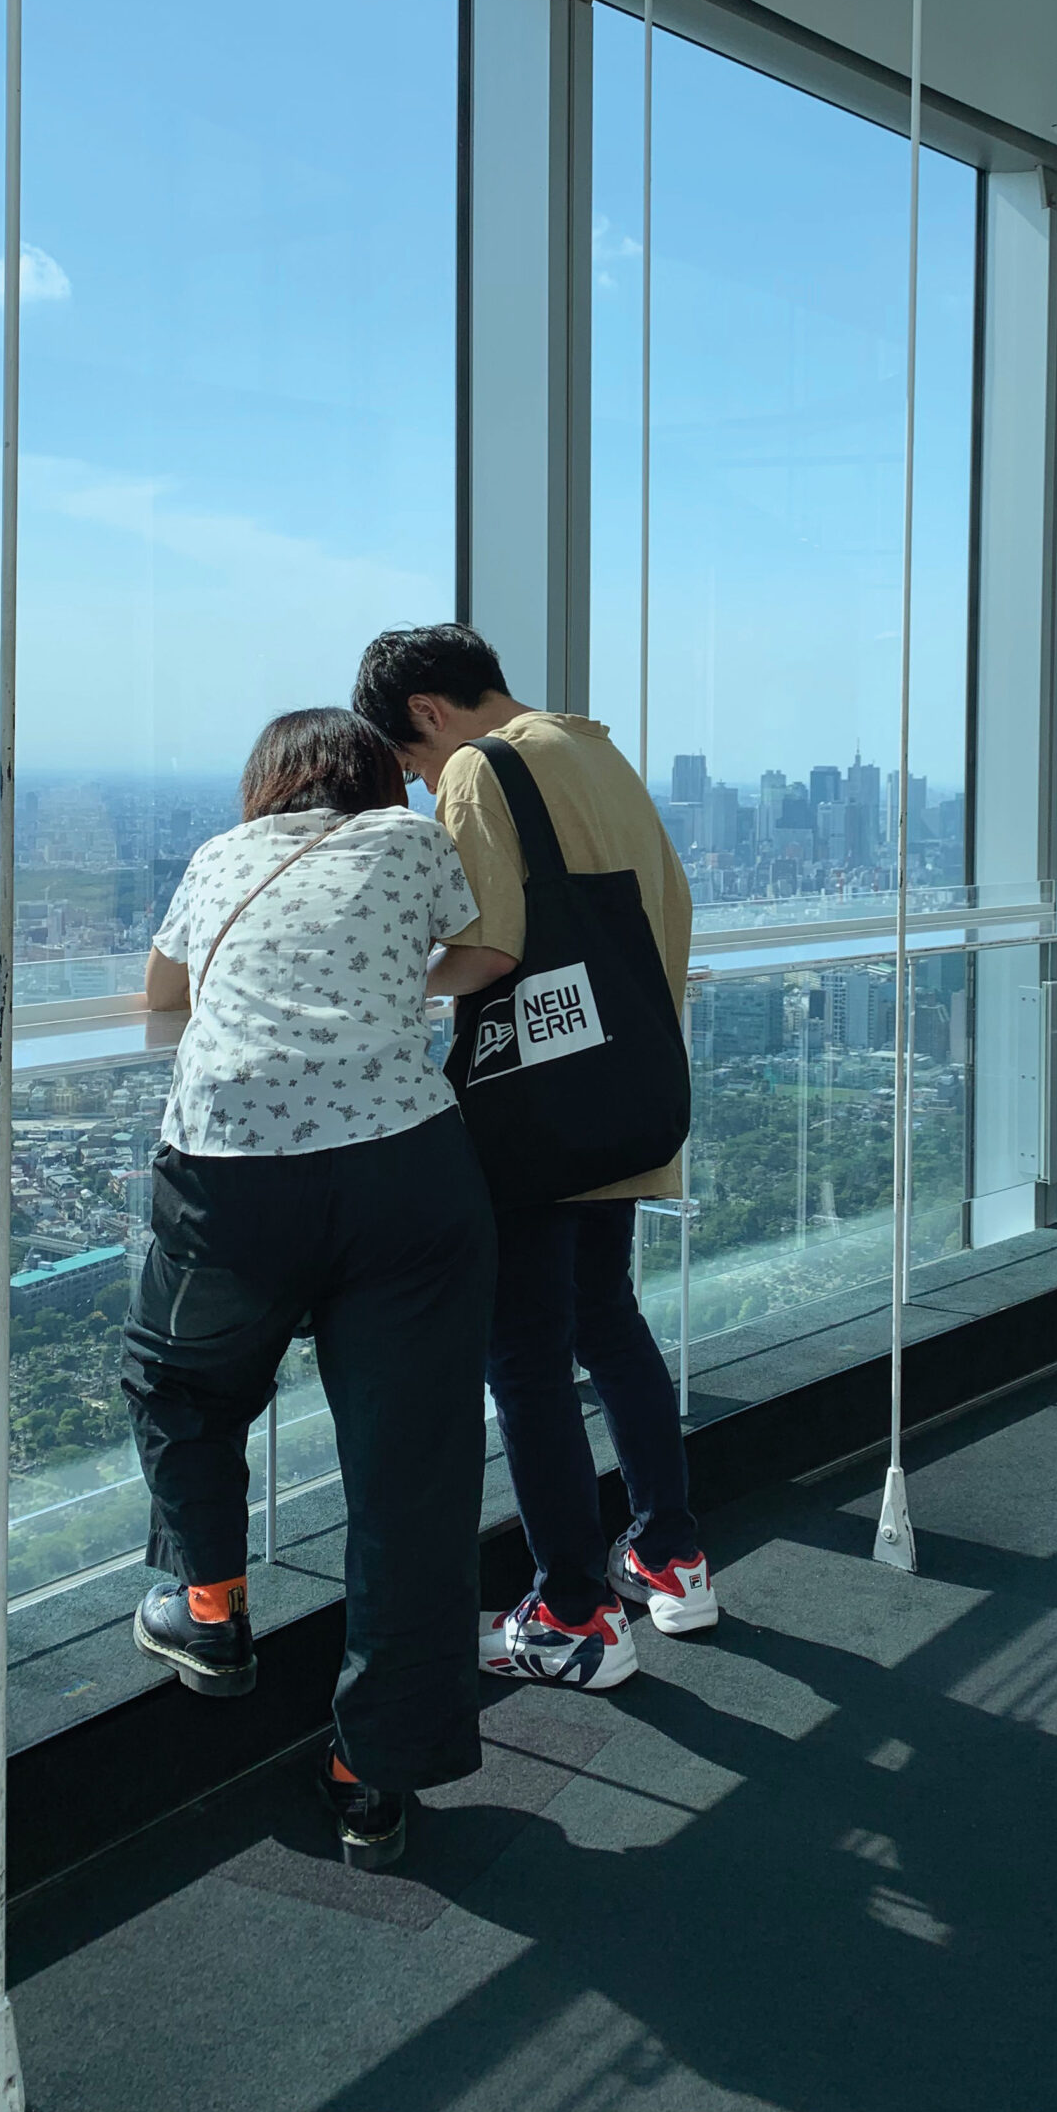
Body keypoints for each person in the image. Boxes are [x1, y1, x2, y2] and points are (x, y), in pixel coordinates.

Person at [121, 707, 511, 1870]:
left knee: (181, 1384)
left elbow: (161, 994)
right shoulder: (410, 842)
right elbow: (483, 956)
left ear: (269, 782)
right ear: (375, 777)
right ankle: (371, 1773)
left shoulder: (218, 857)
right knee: (414, 1477)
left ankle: (209, 1612)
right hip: (408, 1176)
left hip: (234, 1171)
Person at [353, 624, 715, 1692]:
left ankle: (573, 1610)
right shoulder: (595, 750)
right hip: (625, 1084)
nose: (419, 787)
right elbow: (671, 911)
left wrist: (384, 982)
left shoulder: (477, 765)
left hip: (535, 1109)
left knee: (523, 1353)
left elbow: (493, 945)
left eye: (409, 765)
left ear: (424, 712)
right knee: (607, 1318)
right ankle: (670, 1553)